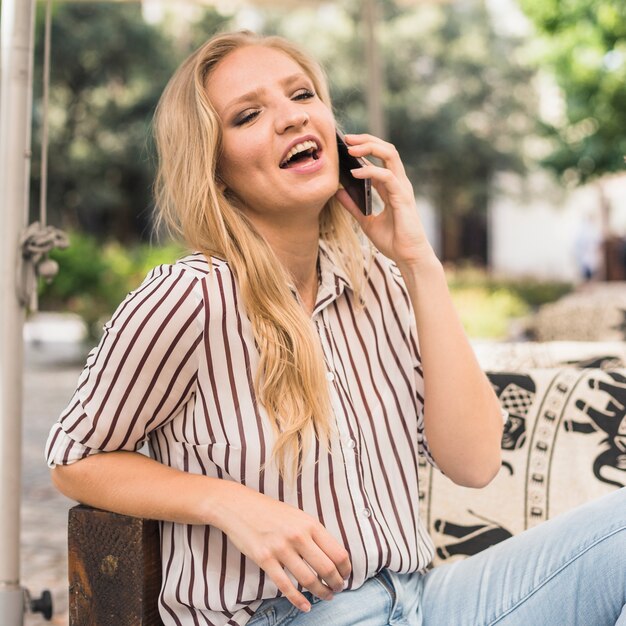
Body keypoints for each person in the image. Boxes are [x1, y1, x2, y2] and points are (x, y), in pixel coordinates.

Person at [46, 30, 625, 626]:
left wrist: (419, 263)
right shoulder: (189, 297)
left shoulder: (378, 285)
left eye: (301, 96)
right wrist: (228, 503)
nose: (290, 119)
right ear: (214, 169)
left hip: (421, 599)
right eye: (249, 115)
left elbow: (474, 461)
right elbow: (73, 457)